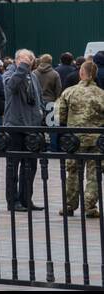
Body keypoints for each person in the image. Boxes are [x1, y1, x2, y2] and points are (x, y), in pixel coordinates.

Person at [57, 59, 104, 218]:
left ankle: (69, 205)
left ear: (81, 73)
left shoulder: (69, 91)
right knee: (94, 173)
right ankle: (90, 206)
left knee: (73, 172)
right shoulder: (101, 94)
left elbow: (60, 116)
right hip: (96, 139)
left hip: (75, 139)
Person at [3, 49, 44, 213]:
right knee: (13, 165)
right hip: (15, 125)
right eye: (26, 60)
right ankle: (13, 201)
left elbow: (38, 97)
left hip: (31, 126)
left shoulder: (32, 76)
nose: (29, 63)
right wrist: (22, 68)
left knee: (30, 165)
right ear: (17, 60)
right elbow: (12, 86)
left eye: (31, 60)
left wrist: (40, 114)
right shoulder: (9, 74)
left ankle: (26, 198)